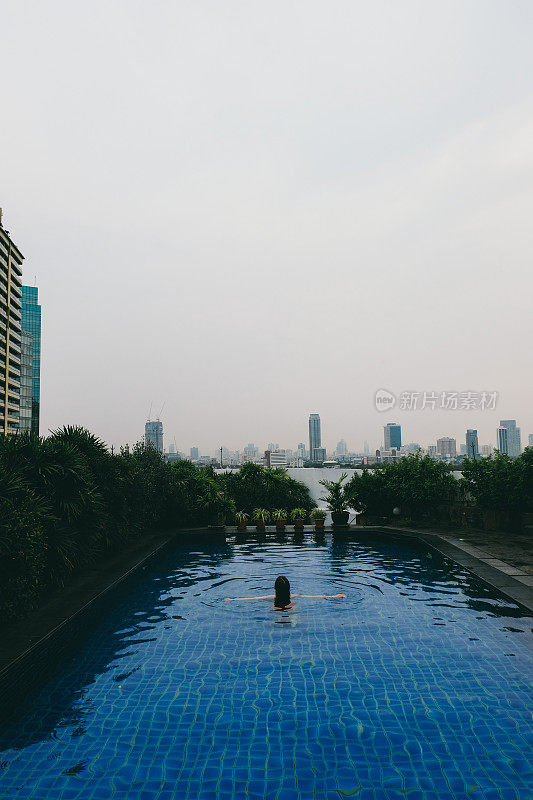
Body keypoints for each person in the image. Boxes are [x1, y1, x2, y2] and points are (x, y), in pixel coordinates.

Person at [224, 575, 346, 609]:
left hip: (275, 607)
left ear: (275, 588)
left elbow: (253, 599)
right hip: (290, 606)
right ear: (288, 588)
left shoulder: (271, 597)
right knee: (293, 612)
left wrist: (233, 600)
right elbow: (313, 596)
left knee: (276, 611)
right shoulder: (293, 596)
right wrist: (334, 596)